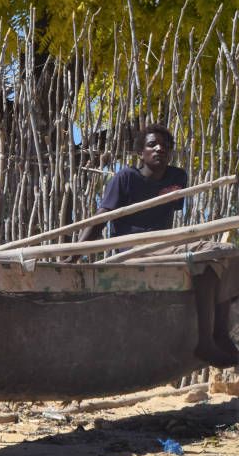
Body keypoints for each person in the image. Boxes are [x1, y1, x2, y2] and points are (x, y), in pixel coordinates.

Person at [78, 123, 239, 367]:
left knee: (223, 258)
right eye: (152, 144)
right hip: (135, 249)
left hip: (166, 244)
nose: (159, 149)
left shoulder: (177, 178)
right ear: (140, 152)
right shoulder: (126, 178)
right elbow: (101, 219)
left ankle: (217, 336)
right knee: (218, 251)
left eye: (164, 145)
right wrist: (75, 254)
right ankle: (210, 339)